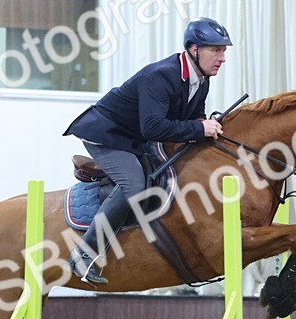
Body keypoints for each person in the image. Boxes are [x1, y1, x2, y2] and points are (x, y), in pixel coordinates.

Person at [62, 17, 232, 285]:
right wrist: (200, 129)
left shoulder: (201, 77)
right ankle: (83, 255)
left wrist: (204, 124)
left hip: (135, 137)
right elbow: (153, 127)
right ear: (195, 49)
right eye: (216, 50)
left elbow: (192, 115)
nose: (222, 58)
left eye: (224, 51)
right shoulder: (161, 75)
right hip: (106, 134)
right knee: (133, 185)